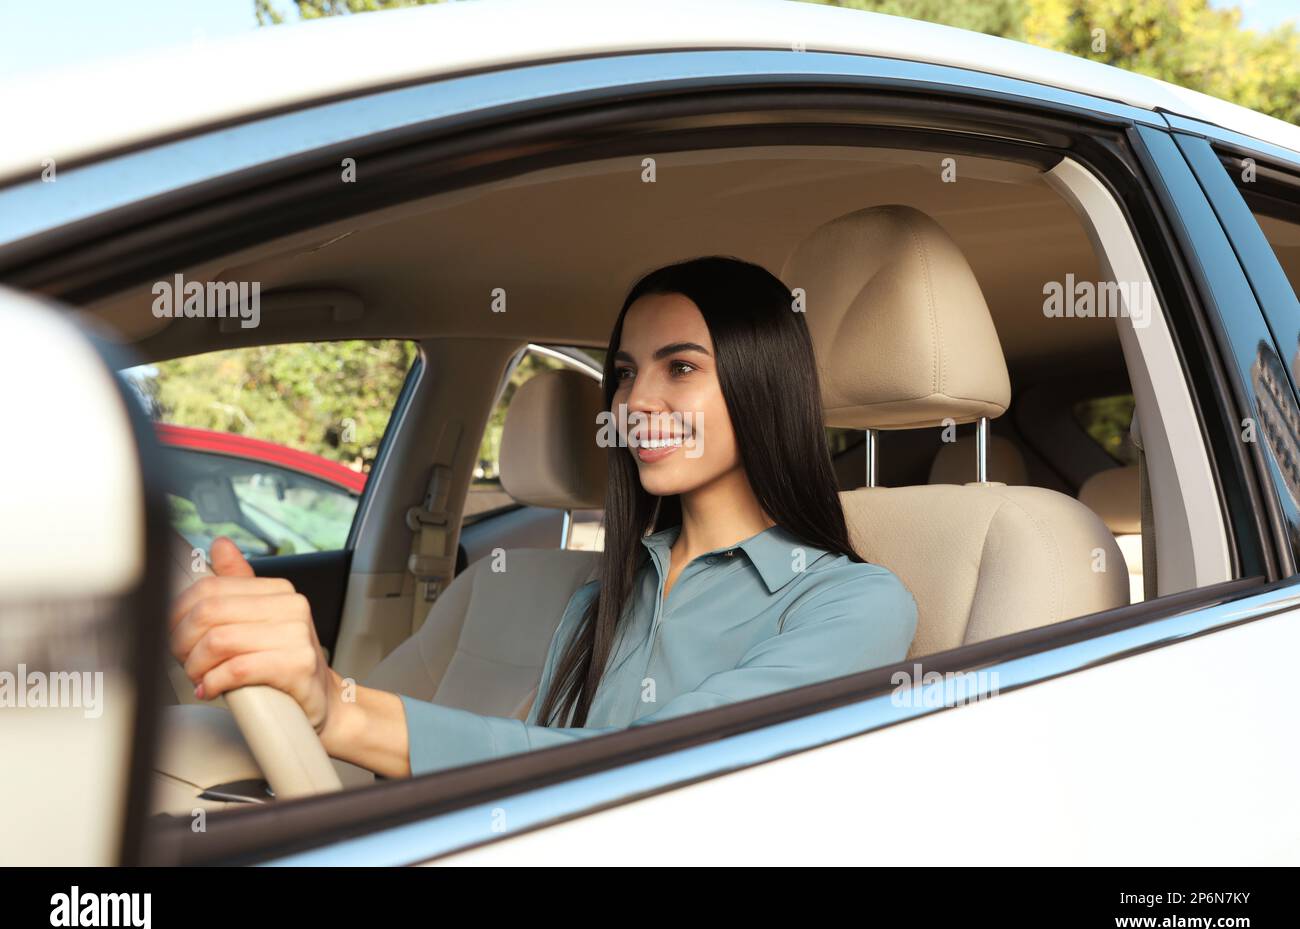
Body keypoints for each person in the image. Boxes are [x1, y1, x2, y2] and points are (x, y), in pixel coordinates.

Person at [169, 256, 918, 779]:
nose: (634, 403)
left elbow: (650, 770)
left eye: (680, 367)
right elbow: (537, 763)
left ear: (764, 385)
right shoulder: (600, 596)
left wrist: (341, 709)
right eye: (624, 373)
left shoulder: (855, 605)